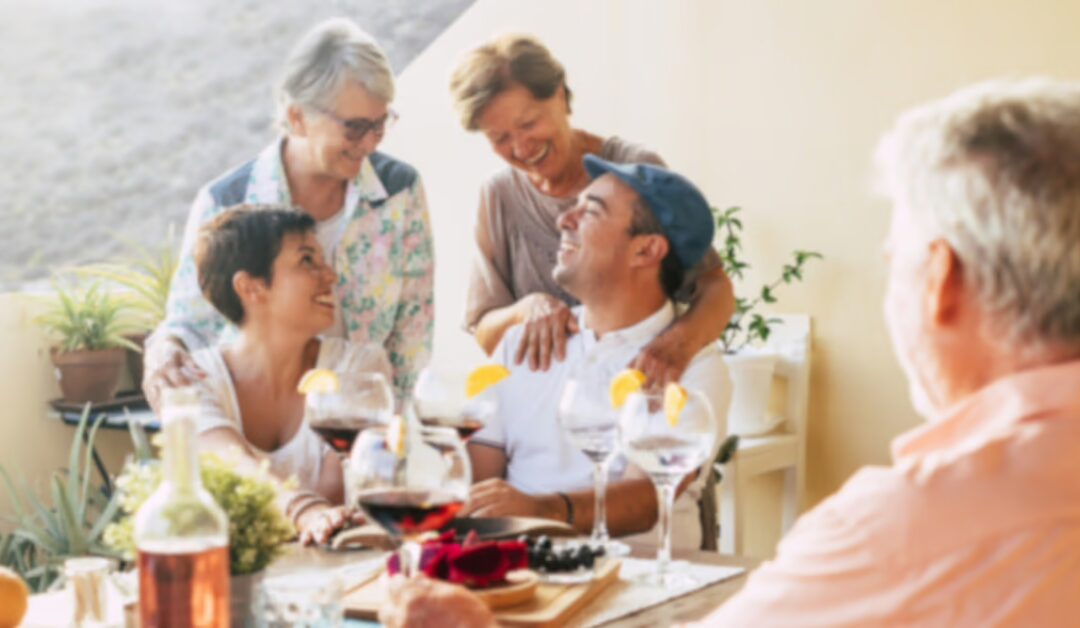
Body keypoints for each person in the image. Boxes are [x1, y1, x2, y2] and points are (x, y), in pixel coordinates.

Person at [381, 78, 1080, 626]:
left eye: (893, 257)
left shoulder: (905, 532)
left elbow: (655, 499)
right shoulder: (532, 333)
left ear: (939, 281)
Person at [143, 17, 433, 410]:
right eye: (354, 127)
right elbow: (188, 324)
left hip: (362, 425)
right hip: (258, 421)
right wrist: (163, 350)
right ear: (298, 117)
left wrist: (394, 432)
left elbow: (412, 332)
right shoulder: (227, 200)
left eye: (380, 125)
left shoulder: (400, 192)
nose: (368, 143)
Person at [465, 156, 731, 551]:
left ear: (646, 250)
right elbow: (476, 483)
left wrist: (539, 512)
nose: (563, 219)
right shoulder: (521, 342)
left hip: (638, 582)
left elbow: (645, 500)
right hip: (517, 571)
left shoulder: (693, 369)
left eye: (590, 211)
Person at [449, 35, 734, 385]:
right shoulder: (498, 195)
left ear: (559, 96)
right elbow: (487, 333)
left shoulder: (631, 171)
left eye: (528, 124)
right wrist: (527, 309)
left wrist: (674, 348)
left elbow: (715, 289)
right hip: (547, 406)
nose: (521, 147)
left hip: (635, 391)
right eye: (500, 138)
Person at [189, 205, 390, 544]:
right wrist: (304, 511)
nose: (330, 276)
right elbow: (234, 466)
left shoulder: (358, 368)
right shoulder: (194, 380)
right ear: (251, 288)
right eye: (307, 261)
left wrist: (316, 515)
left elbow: (340, 497)